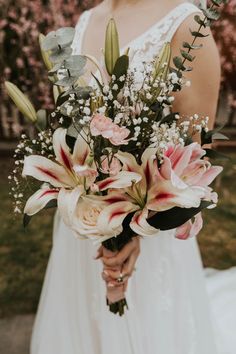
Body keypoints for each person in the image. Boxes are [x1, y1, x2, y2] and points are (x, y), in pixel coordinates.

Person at [30, 1, 236, 353]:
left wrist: (134, 230)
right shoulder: (85, 21)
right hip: (82, 229)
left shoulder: (187, 27)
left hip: (150, 237)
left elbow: (192, 165)